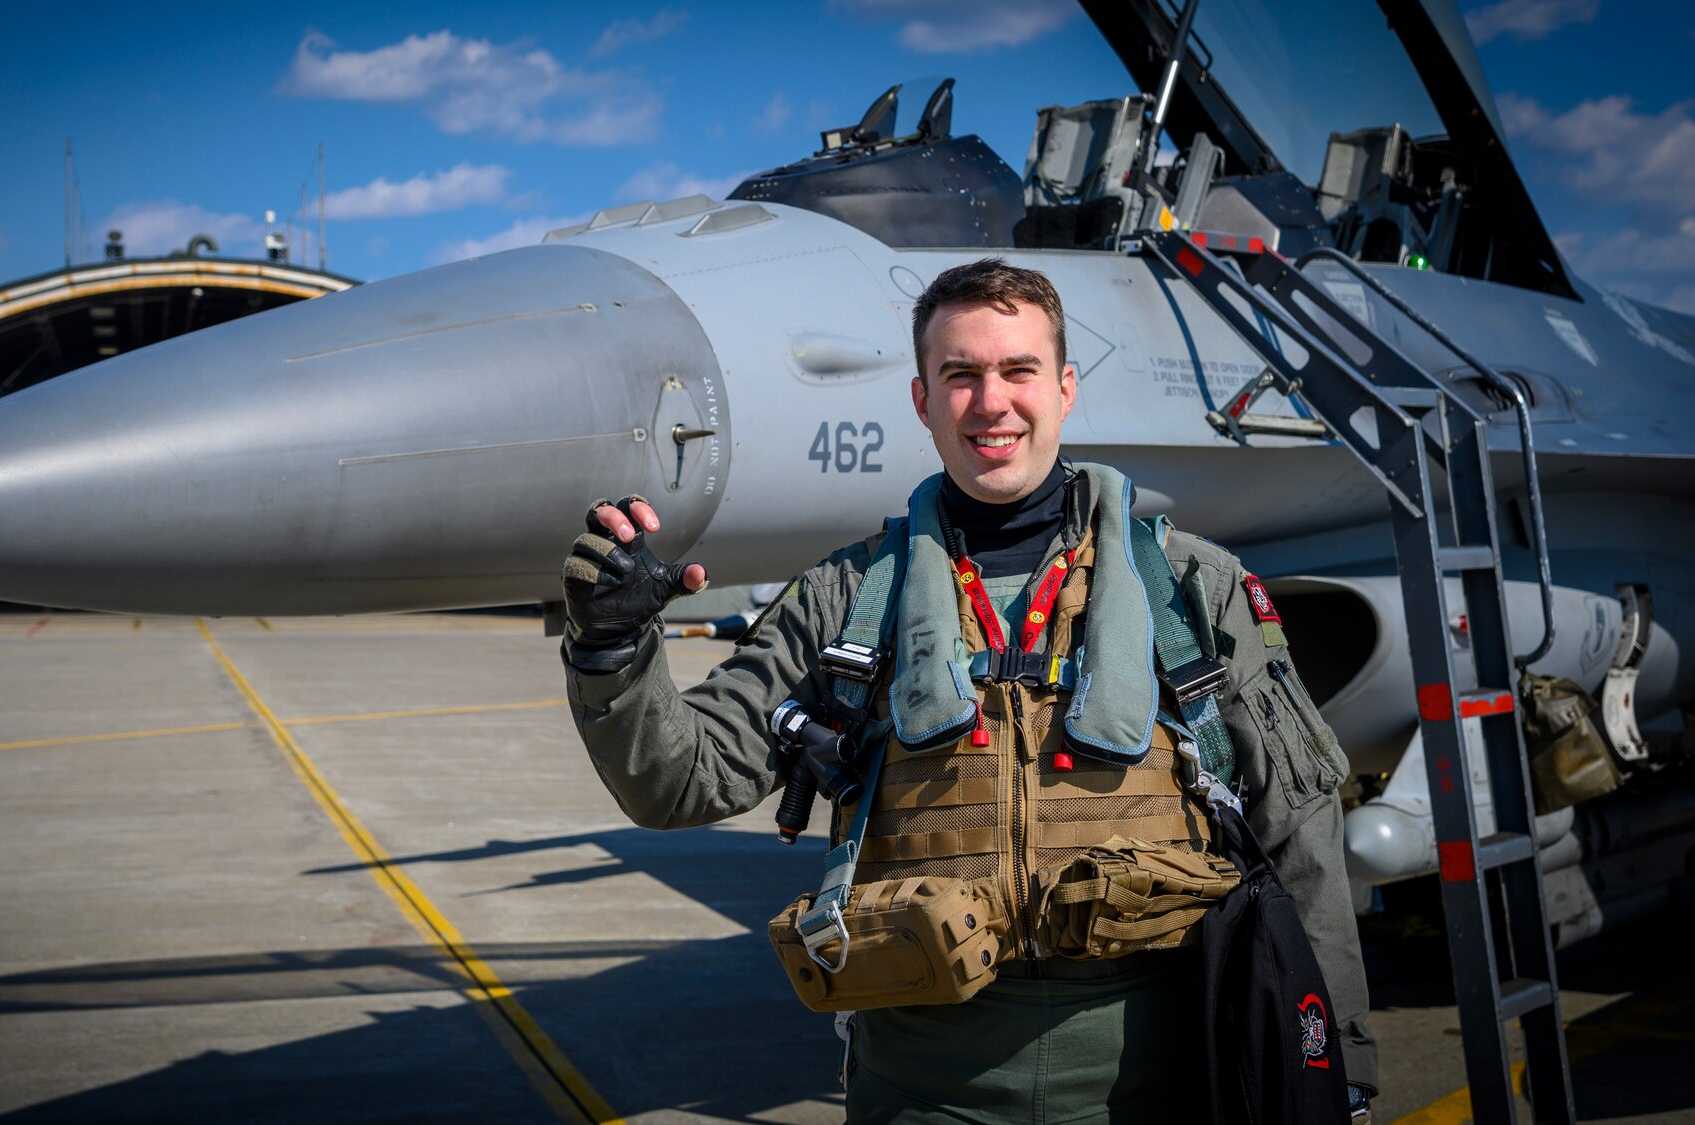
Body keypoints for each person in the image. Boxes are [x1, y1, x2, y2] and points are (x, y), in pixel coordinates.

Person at [560, 258, 1377, 1121]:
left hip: (1169, 1082)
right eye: (961, 375)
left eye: (1018, 370)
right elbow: (679, 778)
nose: (992, 403)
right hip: (923, 1092)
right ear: (923, 400)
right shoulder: (850, 598)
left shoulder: (1193, 591)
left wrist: (1340, 1066)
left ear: (1064, 388)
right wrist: (613, 643)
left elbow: (1300, 827)